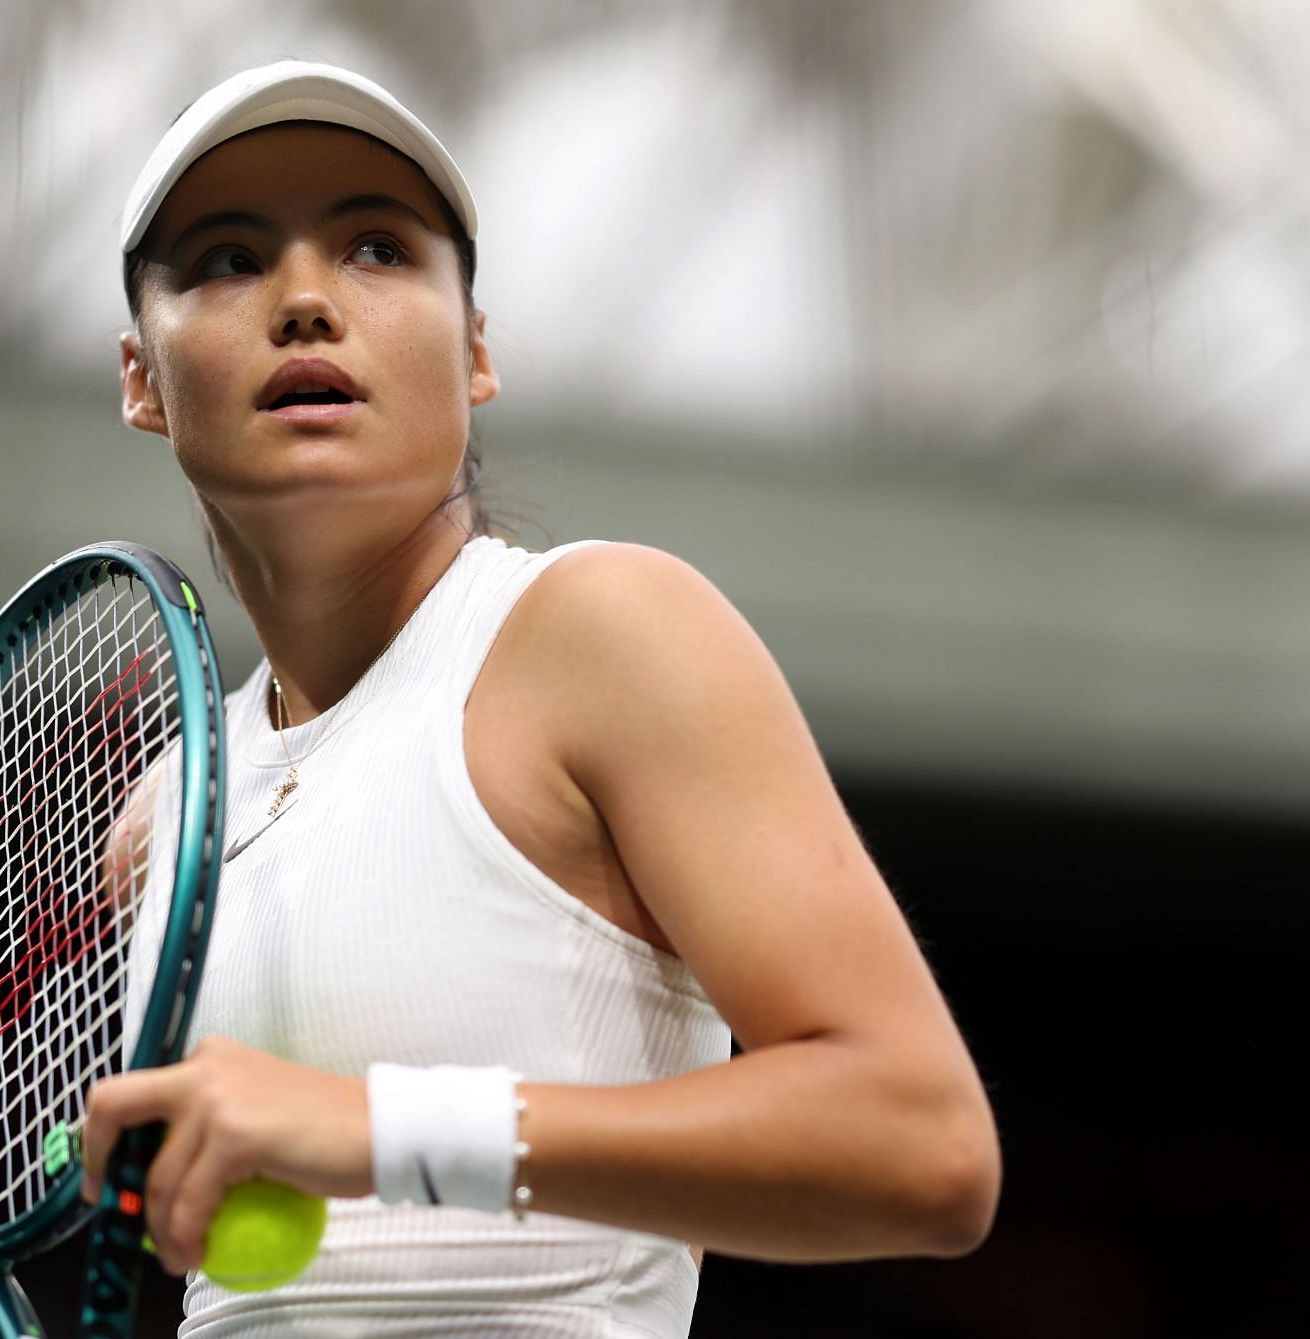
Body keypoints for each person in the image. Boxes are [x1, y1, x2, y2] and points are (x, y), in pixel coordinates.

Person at [81, 60, 1000, 1337]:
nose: (303, 300)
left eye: (376, 249)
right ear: (141, 377)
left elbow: (923, 1146)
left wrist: (384, 1127)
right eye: (227, 259)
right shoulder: (166, 819)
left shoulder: (600, 632)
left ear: (476, 355)